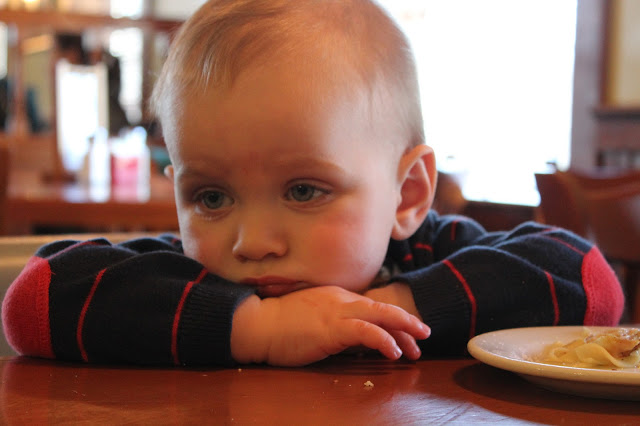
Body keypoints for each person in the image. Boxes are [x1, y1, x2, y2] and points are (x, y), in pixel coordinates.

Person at [2, 0, 624, 367]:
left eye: (303, 190)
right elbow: (34, 300)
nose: (252, 241)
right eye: (211, 198)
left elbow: (589, 281)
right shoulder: (195, 278)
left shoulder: (428, 253)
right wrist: (257, 329)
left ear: (407, 195)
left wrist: (387, 312)